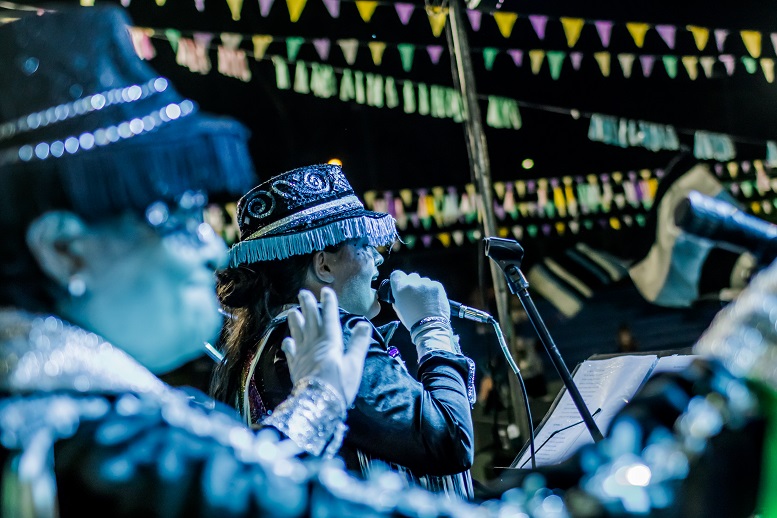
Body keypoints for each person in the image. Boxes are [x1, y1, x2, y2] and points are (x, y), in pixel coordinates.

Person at [0, 6, 381, 516]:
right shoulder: (88, 436)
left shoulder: (48, 409)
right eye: (178, 221)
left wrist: (319, 397)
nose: (213, 250)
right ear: (64, 251)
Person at [211, 163, 477, 499]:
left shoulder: (257, 346)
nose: (377, 260)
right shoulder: (334, 333)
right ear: (323, 265)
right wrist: (432, 327)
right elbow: (450, 441)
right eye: (364, 245)